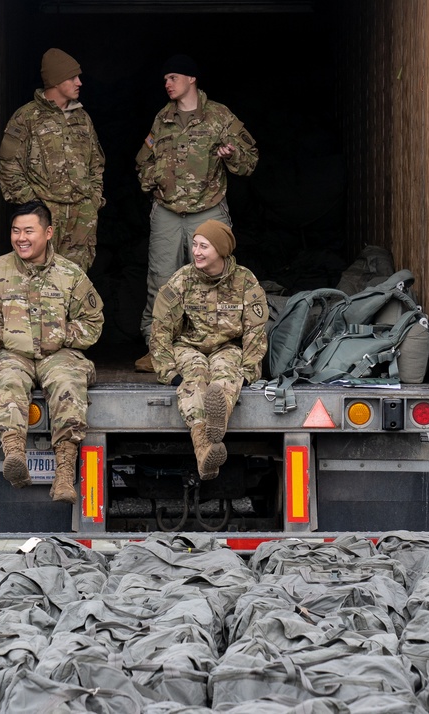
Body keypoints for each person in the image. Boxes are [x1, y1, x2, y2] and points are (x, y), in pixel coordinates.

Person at [0, 201, 104, 503]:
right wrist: (4, 335)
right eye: (15, 231)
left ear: (48, 233)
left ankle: (64, 473)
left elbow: (93, 321)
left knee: (68, 383)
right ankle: (14, 455)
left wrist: (62, 335)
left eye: (28, 231)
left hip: (58, 354)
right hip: (10, 354)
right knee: (6, 380)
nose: (21, 238)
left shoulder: (70, 275)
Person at [134, 54, 259, 372]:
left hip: (208, 210)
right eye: (165, 79)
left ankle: (217, 346)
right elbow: (143, 161)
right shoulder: (162, 118)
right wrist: (156, 181)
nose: (167, 84)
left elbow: (250, 160)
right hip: (167, 212)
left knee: (213, 278)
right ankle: (157, 350)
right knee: (162, 281)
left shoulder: (219, 116)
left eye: (173, 77)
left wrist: (231, 156)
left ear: (191, 78)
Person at [150, 219, 268, 480]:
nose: (196, 252)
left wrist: (249, 371)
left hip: (227, 347)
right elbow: (160, 328)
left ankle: (212, 429)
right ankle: (205, 446)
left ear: (221, 251)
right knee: (195, 375)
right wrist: (167, 371)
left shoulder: (245, 281)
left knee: (225, 374)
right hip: (188, 346)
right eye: (194, 245)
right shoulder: (182, 279)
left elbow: (255, 331)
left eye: (204, 246)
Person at [0, 48, 105, 273]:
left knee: (75, 283)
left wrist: (92, 201)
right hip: (45, 218)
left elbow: (96, 163)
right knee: (38, 283)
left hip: (80, 219)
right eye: (73, 77)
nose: (79, 82)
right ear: (56, 81)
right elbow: (9, 168)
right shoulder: (26, 117)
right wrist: (36, 209)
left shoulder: (82, 118)